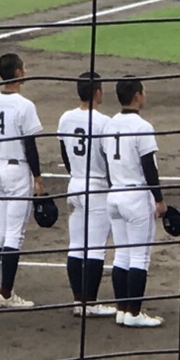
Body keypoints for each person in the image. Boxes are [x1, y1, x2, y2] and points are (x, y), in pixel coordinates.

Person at [0, 52, 47, 308]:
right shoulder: (24, 105)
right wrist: (38, 178)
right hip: (16, 170)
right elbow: (30, 145)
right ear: (18, 73)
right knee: (13, 235)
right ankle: (7, 295)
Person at [104, 78, 166, 328]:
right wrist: (159, 199)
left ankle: (122, 310)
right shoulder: (142, 126)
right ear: (137, 96)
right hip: (136, 196)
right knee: (139, 258)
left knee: (122, 255)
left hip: (114, 195)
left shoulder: (109, 125)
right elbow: (148, 166)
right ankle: (134, 313)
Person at [55, 72, 115, 318]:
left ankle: (78, 301)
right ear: (98, 92)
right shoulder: (104, 122)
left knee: (77, 245)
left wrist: (76, 174)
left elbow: (64, 153)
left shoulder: (66, 118)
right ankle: (89, 303)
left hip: (75, 184)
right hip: (97, 187)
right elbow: (110, 158)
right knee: (95, 249)